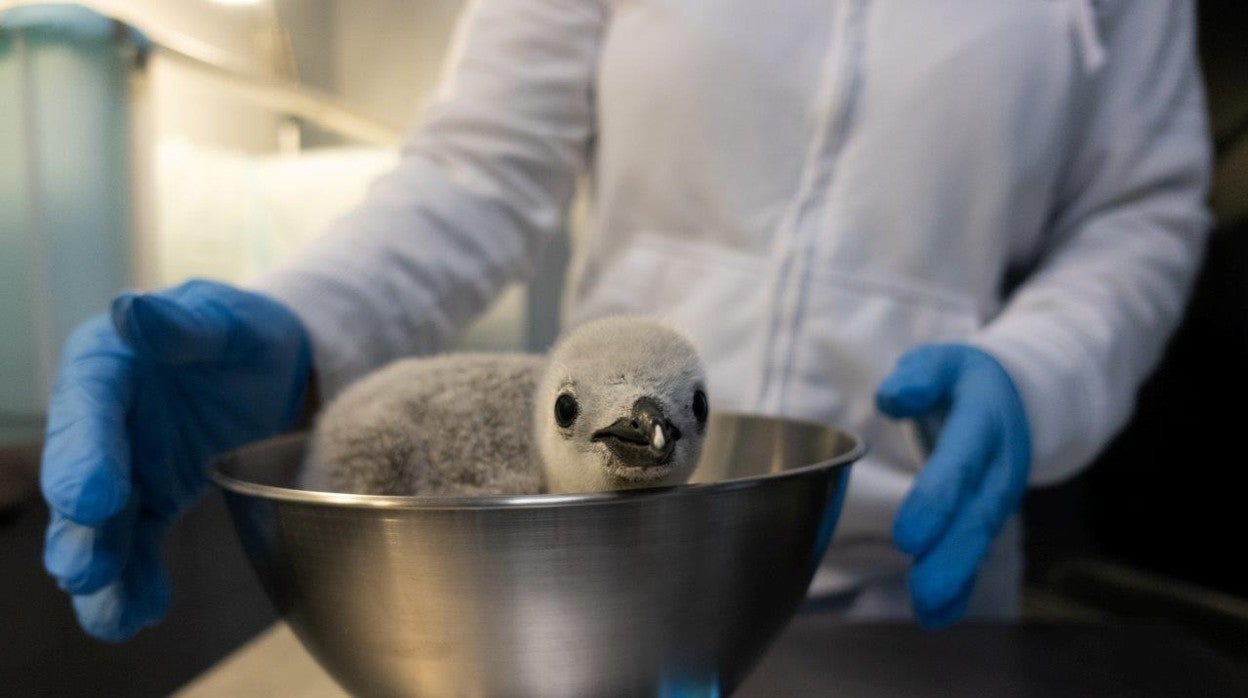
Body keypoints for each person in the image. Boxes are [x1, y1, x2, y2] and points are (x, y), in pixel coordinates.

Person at [41, 0, 1210, 641]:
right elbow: (483, 172)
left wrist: (1042, 366)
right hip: (592, 597)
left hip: (919, 582)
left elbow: (1142, 210)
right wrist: (305, 322)